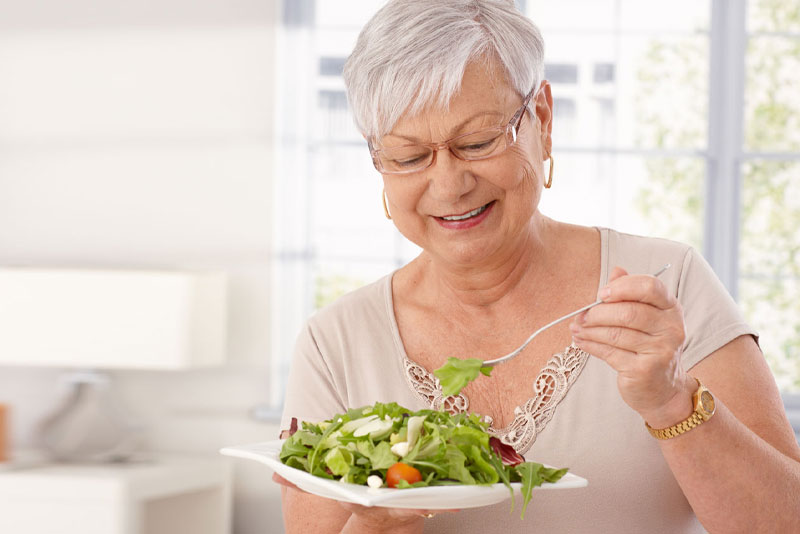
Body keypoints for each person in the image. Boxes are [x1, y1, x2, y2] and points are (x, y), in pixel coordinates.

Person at [276, 1, 800, 532]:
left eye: (478, 142)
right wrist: (374, 522)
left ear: (542, 119)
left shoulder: (666, 284)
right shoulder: (335, 342)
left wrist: (670, 402)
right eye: (409, 157)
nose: (450, 185)